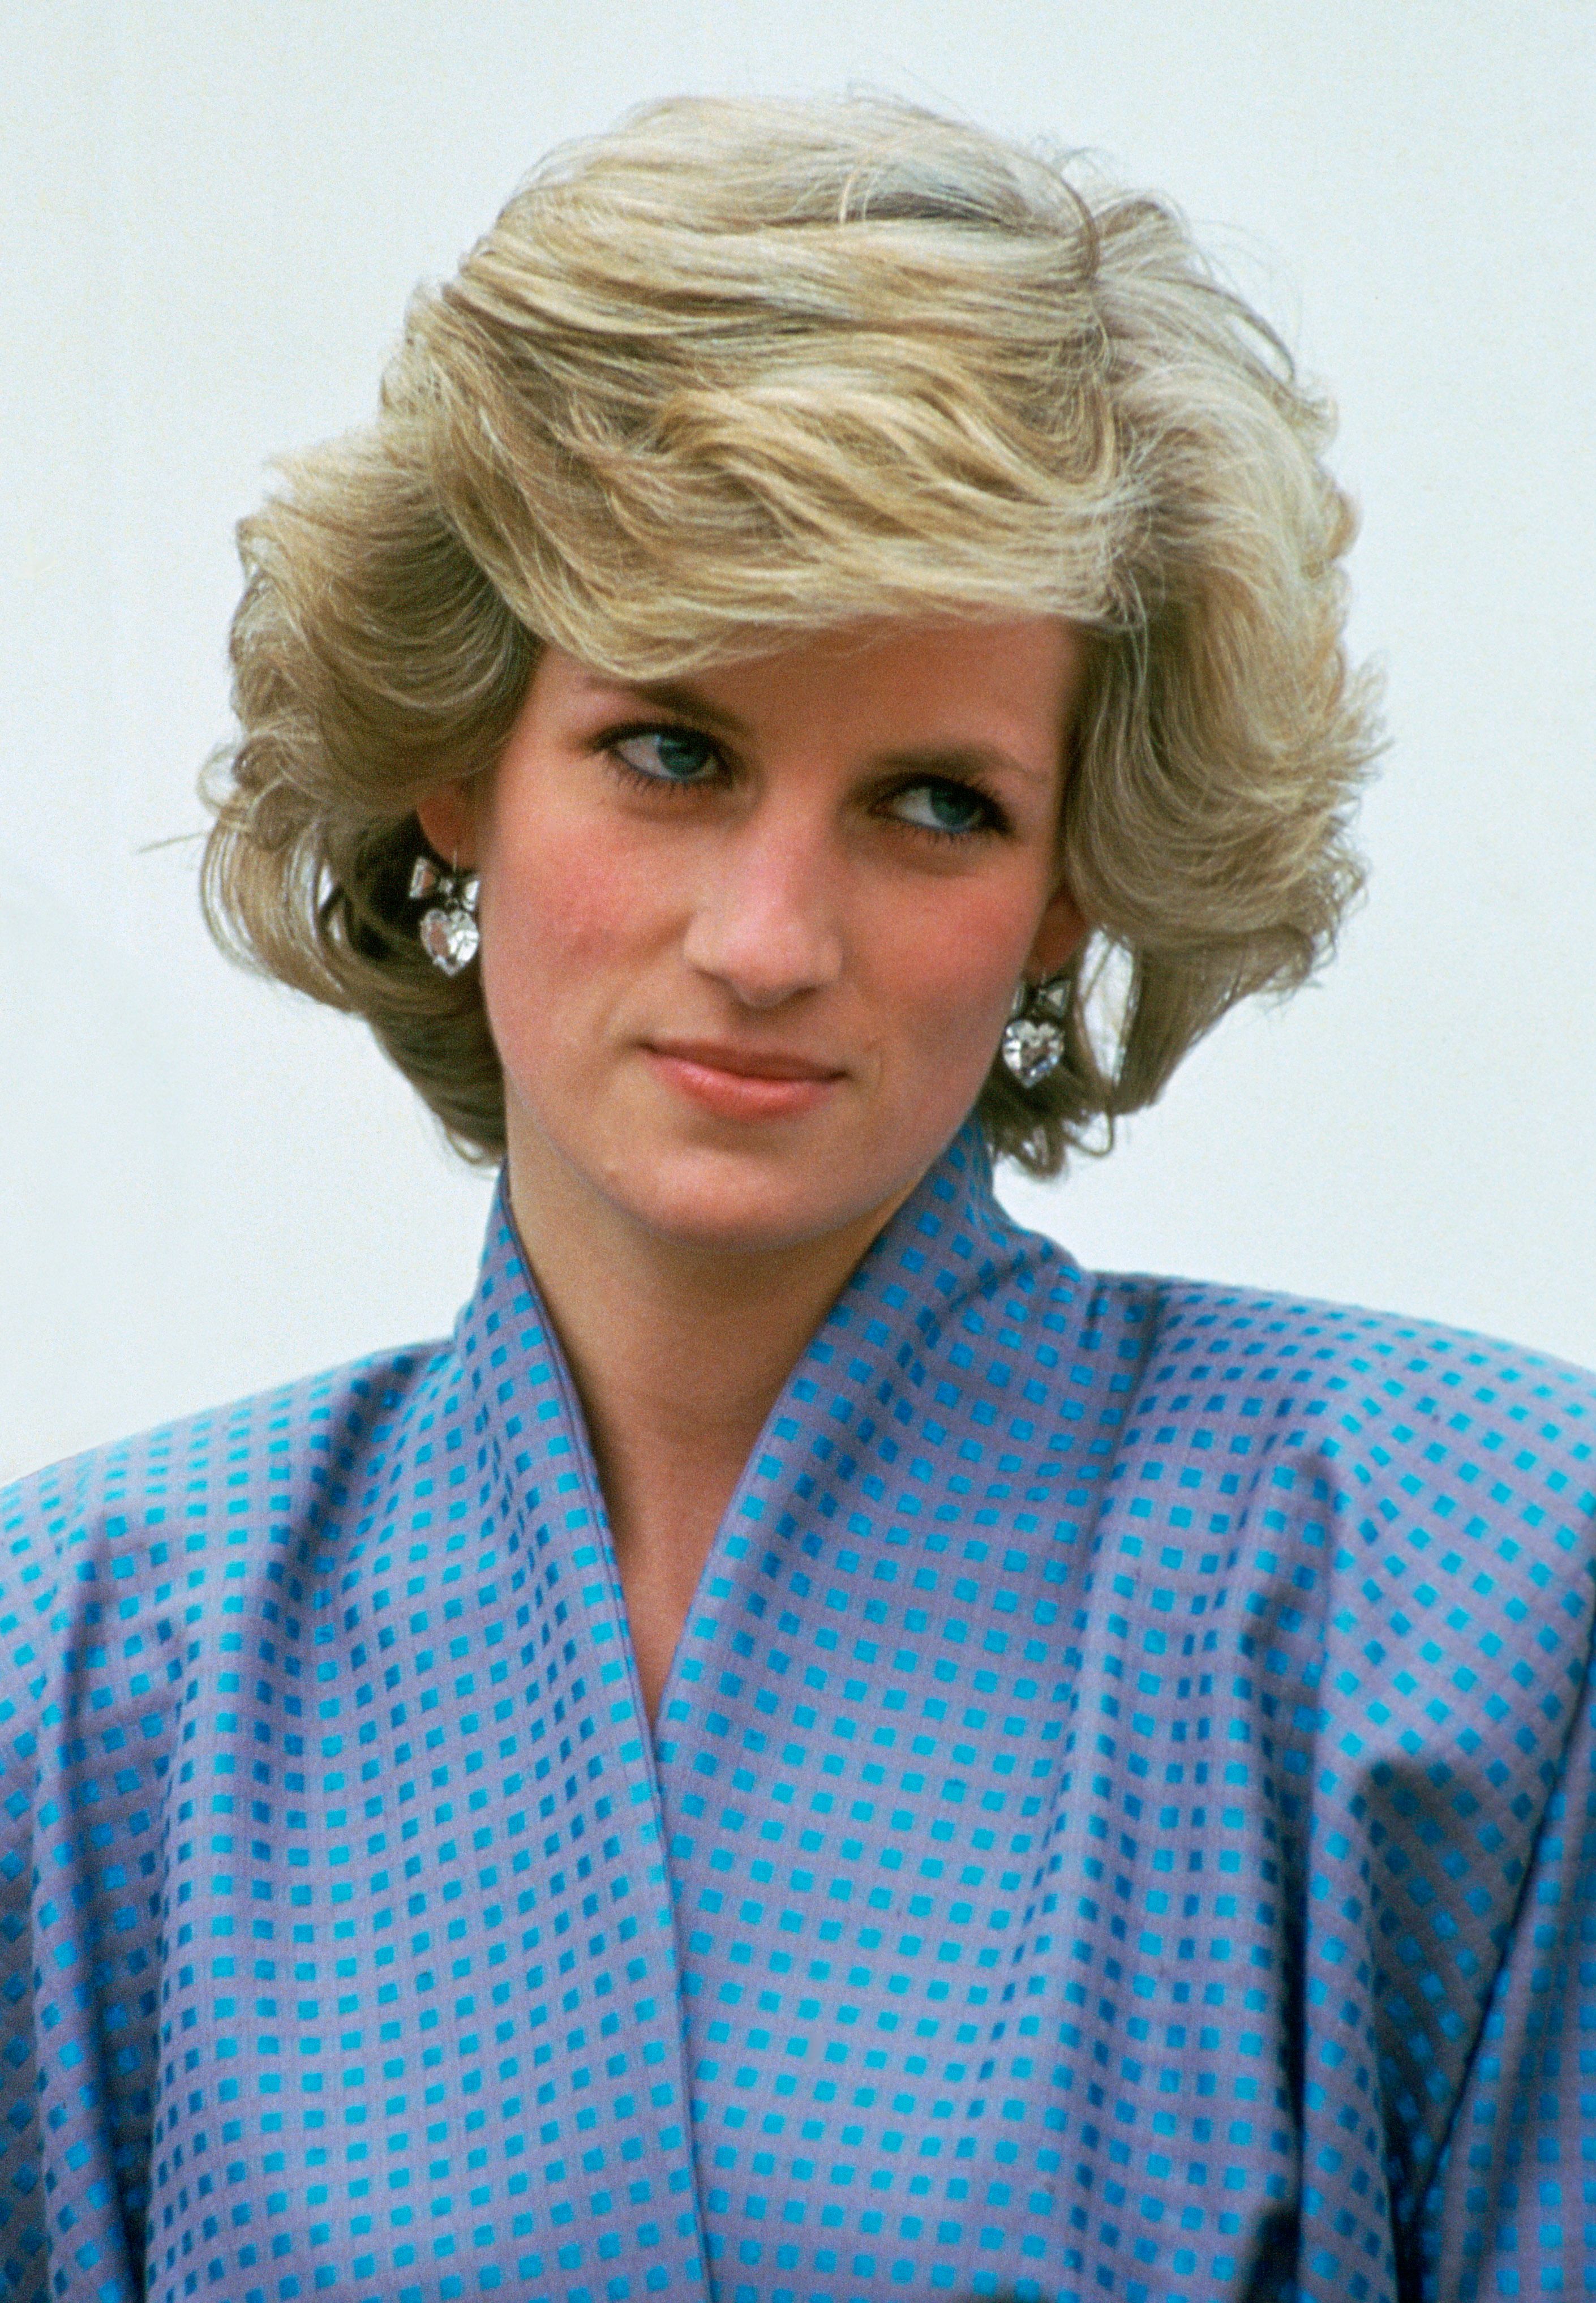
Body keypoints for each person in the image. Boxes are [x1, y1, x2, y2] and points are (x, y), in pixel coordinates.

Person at [2, 91, 1590, 2303]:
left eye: (935, 803)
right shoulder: (77, 1666)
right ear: (460, 768)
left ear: (1068, 891)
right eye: (674, 749)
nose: (767, 933)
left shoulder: (1467, 1585)